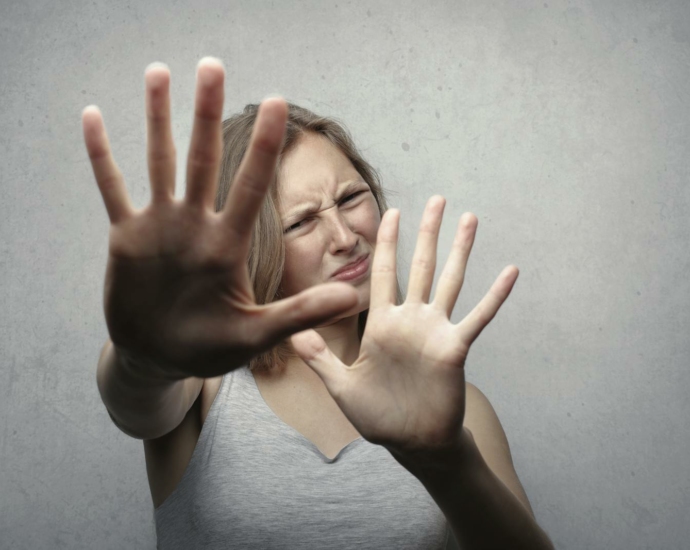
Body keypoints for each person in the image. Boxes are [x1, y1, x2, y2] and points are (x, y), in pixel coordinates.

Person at [86, 57, 555, 549]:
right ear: (248, 248)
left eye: (351, 197)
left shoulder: (459, 408)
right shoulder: (203, 385)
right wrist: (145, 358)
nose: (345, 236)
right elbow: (135, 405)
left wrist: (446, 460)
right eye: (301, 221)